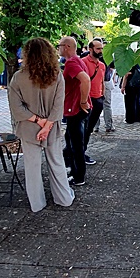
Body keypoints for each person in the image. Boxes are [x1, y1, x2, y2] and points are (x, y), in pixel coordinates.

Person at [8, 37, 74, 212]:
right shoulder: (56, 75)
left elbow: (16, 108)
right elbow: (59, 104)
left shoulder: (18, 77)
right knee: (57, 163)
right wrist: (47, 125)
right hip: (51, 128)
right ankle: (64, 198)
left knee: (32, 168)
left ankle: (37, 204)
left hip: (29, 128)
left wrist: (38, 121)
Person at [58, 36, 91, 186]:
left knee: (75, 144)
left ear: (66, 47)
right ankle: (75, 172)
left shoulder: (72, 62)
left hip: (76, 109)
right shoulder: (78, 60)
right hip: (77, 108)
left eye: (59, 46)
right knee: (71, 140)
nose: (57, 48)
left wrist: (83, 101)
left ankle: (79, 177)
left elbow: (85, 80)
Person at [81, 39, 105, 165]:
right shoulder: (83, 63)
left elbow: (102, 82)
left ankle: (82, 152)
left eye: (101, 48)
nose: (100, 51)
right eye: (98, 49)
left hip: (97, 100)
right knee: (82, 129)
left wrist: (102, 97)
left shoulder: (102, 65)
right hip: (86, 100)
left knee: (89, 129)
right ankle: (77, 153)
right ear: (90, 49)